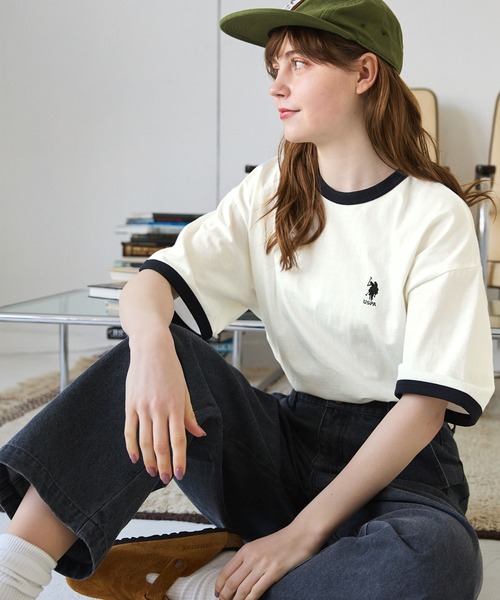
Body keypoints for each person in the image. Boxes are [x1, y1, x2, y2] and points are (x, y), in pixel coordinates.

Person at [0, 0, 495, 598]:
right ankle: (14, 570)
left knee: (439, 561)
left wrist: (300, 536)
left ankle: (207, 585)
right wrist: (153, 349)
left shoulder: (434, 214)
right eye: (274, 67)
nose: (277, 86)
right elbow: (150, 285)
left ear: (364, 73)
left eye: (300, 64)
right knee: (150, 352)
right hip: (285, 448)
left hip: (402, 472)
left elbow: (423, 408)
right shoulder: (274, 188)